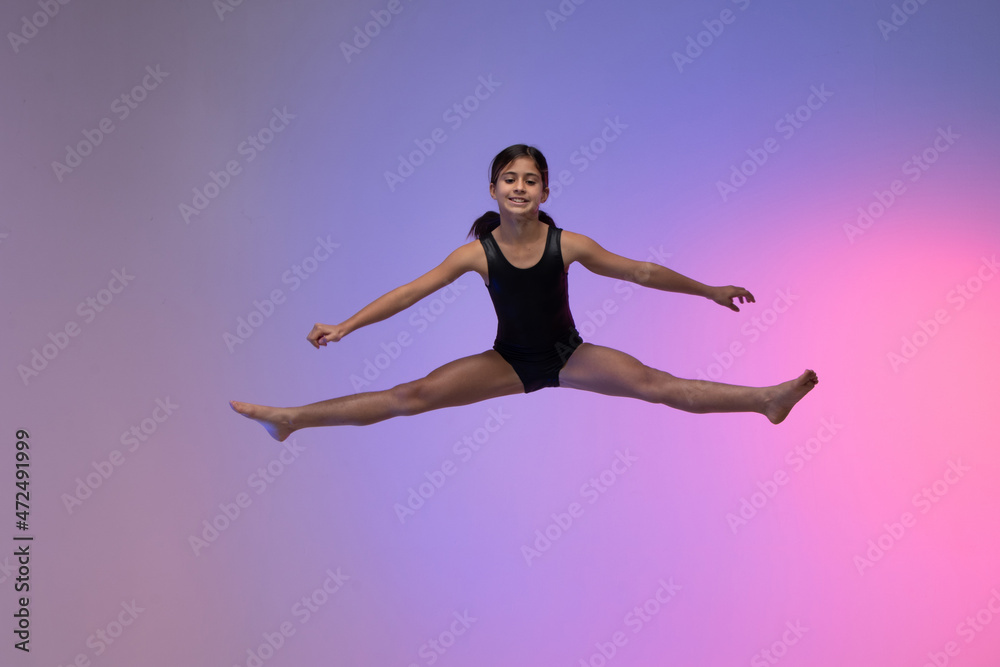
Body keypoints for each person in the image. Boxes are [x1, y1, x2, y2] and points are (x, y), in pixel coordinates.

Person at [231, 144, 817, 442]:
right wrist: (344, 326)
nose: (519, 187)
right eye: (509, 178)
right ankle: (291, 419)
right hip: (509, 361)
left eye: (529, 179)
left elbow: (640, 271)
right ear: (493, 189)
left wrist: (708, 289)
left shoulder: (569, 244)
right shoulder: (475, 254)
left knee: (655, 385)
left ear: (543, 190)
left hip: (568, 354)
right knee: (411, 395)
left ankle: (765, 398)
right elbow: (410, 292)